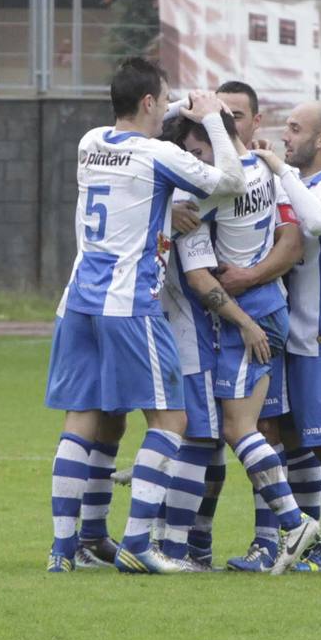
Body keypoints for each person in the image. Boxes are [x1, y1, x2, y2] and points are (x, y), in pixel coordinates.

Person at [44, 57, 247, 574]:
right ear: (150, 103)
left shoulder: (91, 142)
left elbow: (142, 125)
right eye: (164, 100)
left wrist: (186, 103)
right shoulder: (157, 154)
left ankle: (65, 550)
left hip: (77, 303)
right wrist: (217, 121)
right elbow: (230, 182)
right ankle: (139, 542)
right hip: (129, 303)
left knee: (83, 419)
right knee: (171, 419)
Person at [162, 112, 317, 575]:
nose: (195, 162)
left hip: (250, 318)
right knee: (234, 429)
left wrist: (170, 208)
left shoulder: (214, 188)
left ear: (220, 143)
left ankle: (292, 525)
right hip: (262, 309)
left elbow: (197, 274)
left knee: (236, 429)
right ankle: (267, 533)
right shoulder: (261, 167)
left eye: (198, 152)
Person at [252, 102, 321, 572]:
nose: (286, 137)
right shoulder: (297, 182)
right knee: (295, 442)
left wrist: (279, 170)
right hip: (287, 334)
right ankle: (303, 543)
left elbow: (317, 222)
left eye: (296, 130)